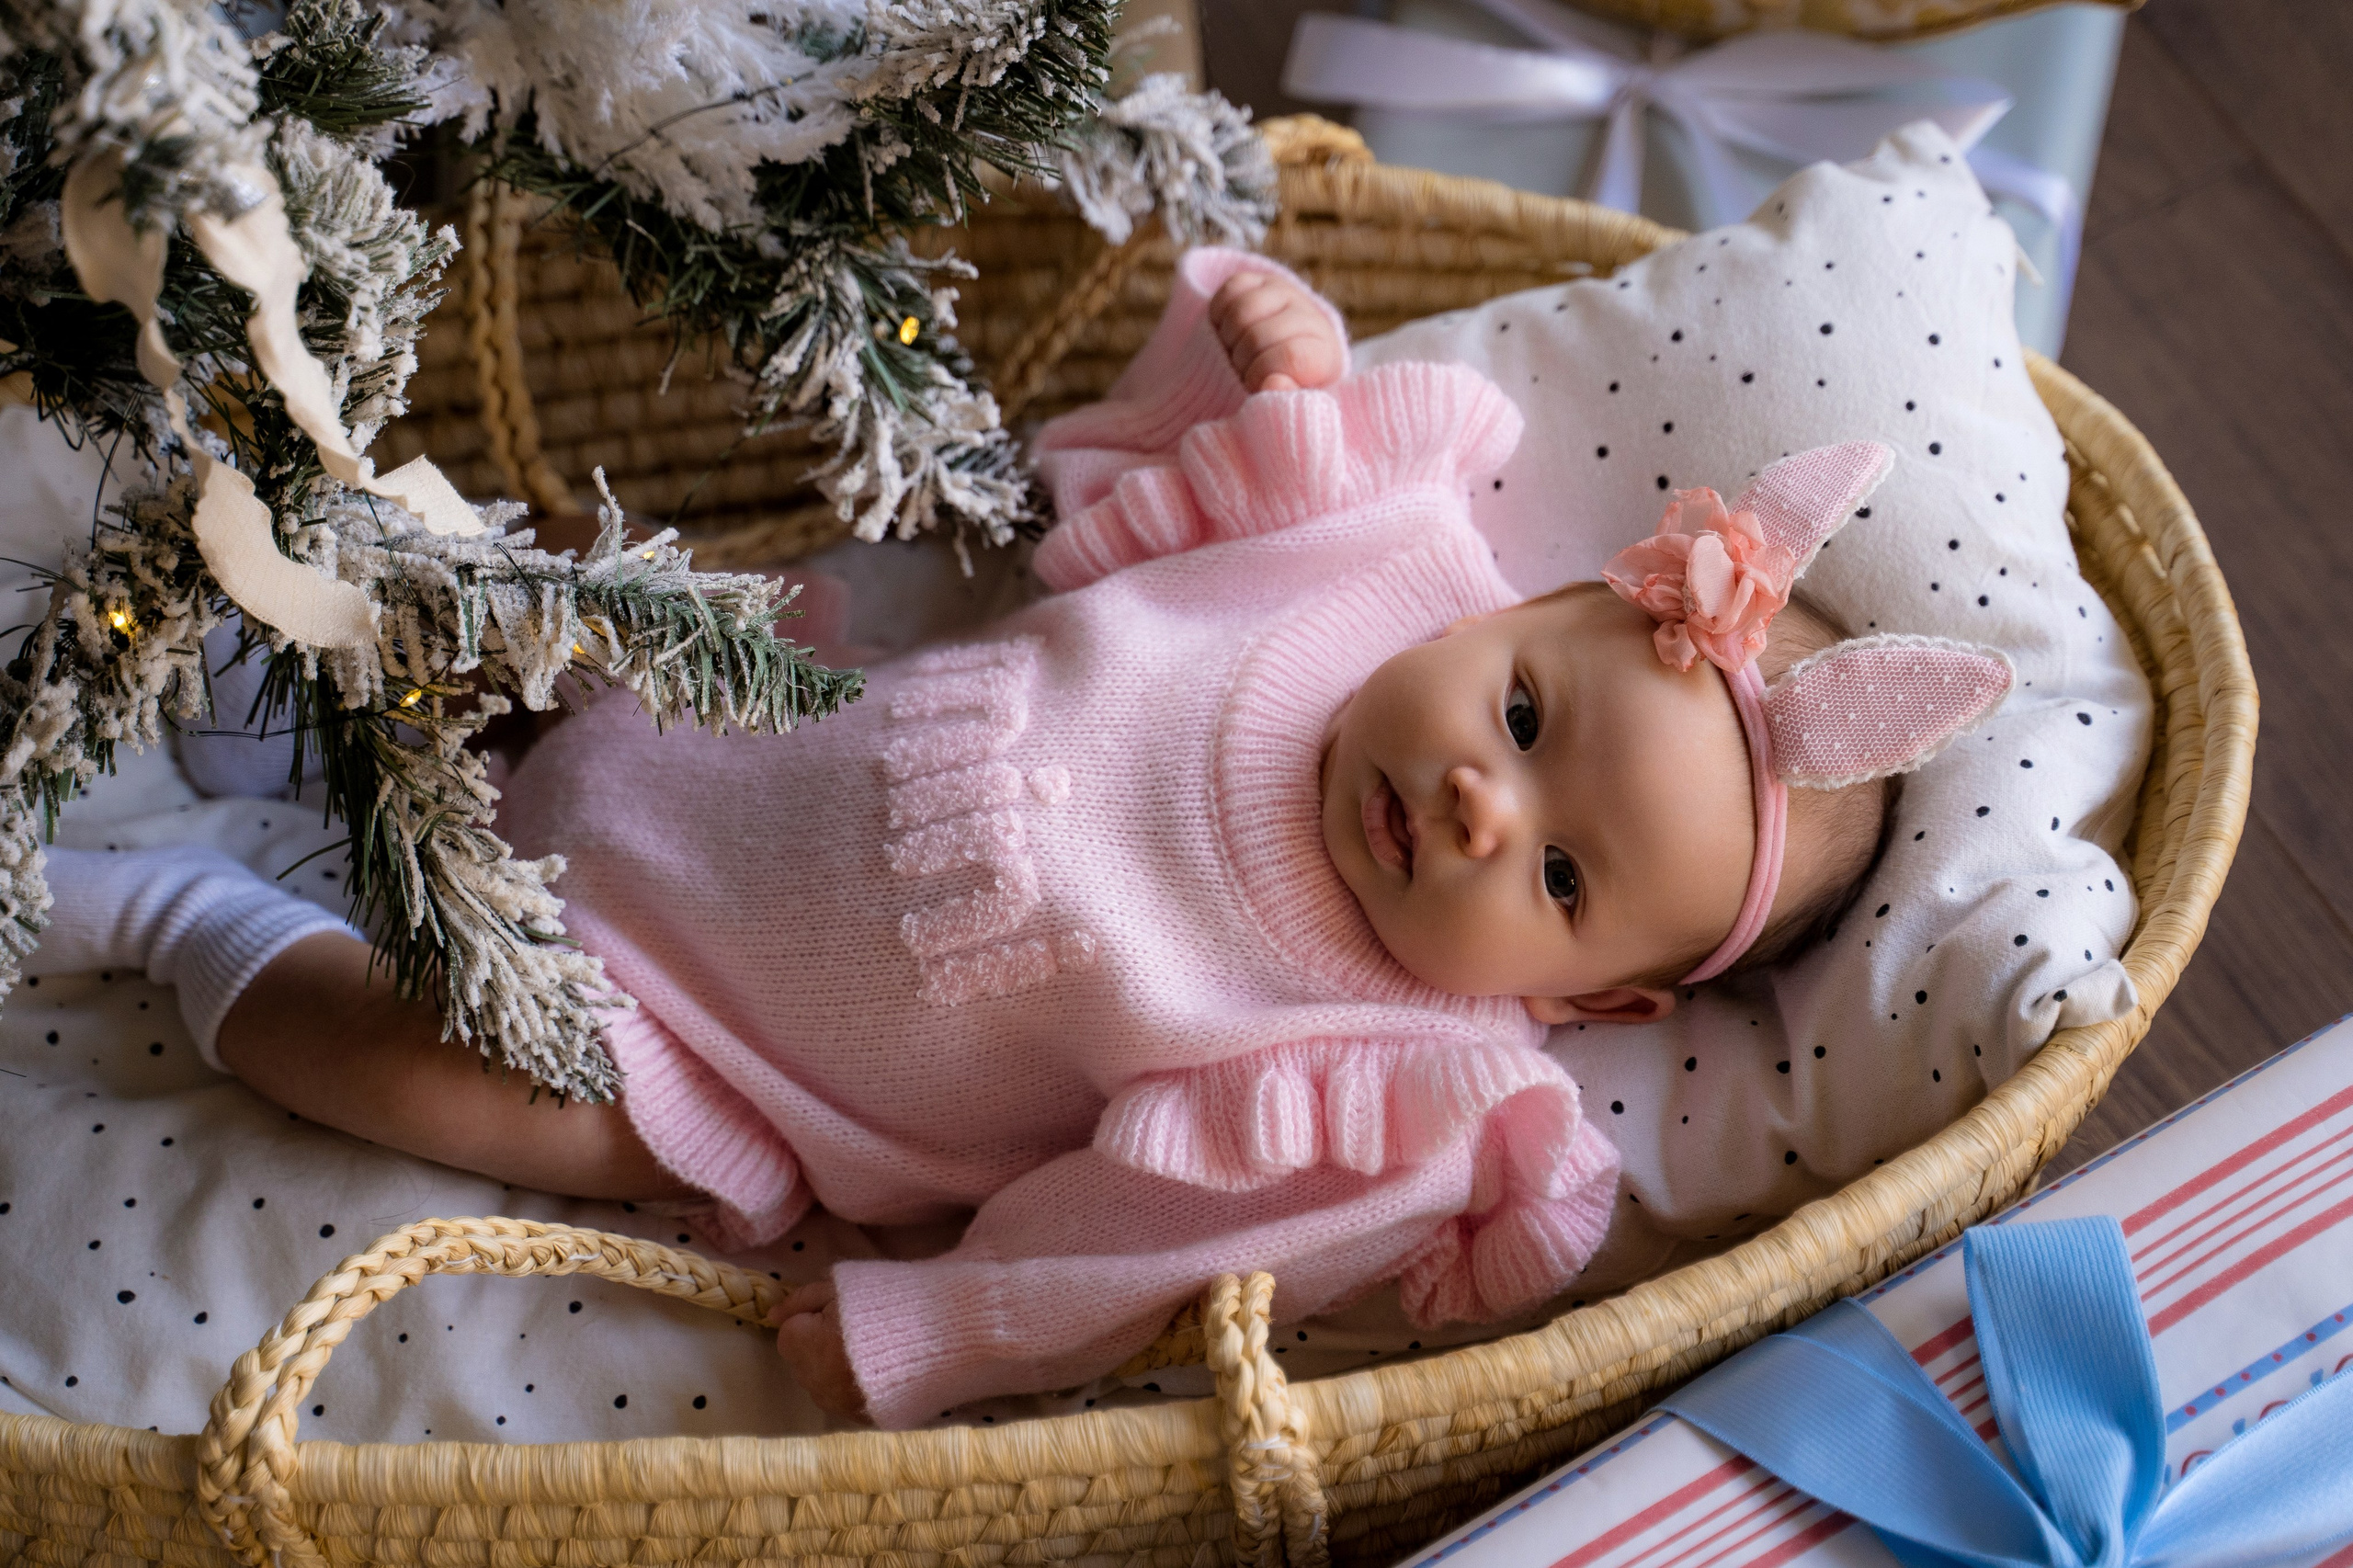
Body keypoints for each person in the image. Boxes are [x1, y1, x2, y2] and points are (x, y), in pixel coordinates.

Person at [32, 249, 2008, 1426]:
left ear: (1601, 997)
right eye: (1516, 713)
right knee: (526, 614)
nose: (1485, 805)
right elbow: (1086, 479)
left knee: (473, 1087)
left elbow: (1132, 1240)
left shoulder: (1384, 1080)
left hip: (716, 1040)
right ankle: (256, 703)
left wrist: (932, 1327)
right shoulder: (1352, 538)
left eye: (1558, 882)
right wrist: (1252, 348)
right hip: (719, 728)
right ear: (1500, 605)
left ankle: (165, 915)